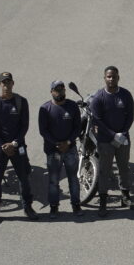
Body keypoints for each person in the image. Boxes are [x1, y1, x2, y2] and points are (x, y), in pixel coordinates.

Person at [0, 71, 37, 225]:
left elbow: (24, 126)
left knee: (24, 178)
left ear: (13, 83)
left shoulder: (21, 102)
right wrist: (3, 145)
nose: (6, 85)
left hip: (17, 146)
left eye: (9, 82)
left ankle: (28, 208)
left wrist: (14, 143)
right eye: (3, 83)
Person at [90, 65, 134, 218]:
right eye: (108, 76)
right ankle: (103, 202)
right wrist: (112, 135)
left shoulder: (126, 95)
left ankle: (126, 197)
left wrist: (123, 133)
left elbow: (130, 116)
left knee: (124, 168)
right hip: (105, 141)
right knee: (104, 171)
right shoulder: (98, 98)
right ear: (104, 78)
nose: (111, 79)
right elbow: (97, 121)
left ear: (118, 77)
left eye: (114, 76)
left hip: (122, 139)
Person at [38, 80, 82, 219]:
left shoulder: (73, 106)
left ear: (65, 91)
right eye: (56, 90)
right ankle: (53, 208)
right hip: (53, 151)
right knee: (53, 180)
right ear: (51, 92)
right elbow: (43, 131)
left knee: (73, 179)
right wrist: (57, 144)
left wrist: (68, 142)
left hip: (70, 149)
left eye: (62, 89)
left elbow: (78, 127)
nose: (59, 92)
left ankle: (76, 205)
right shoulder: (45, 109)